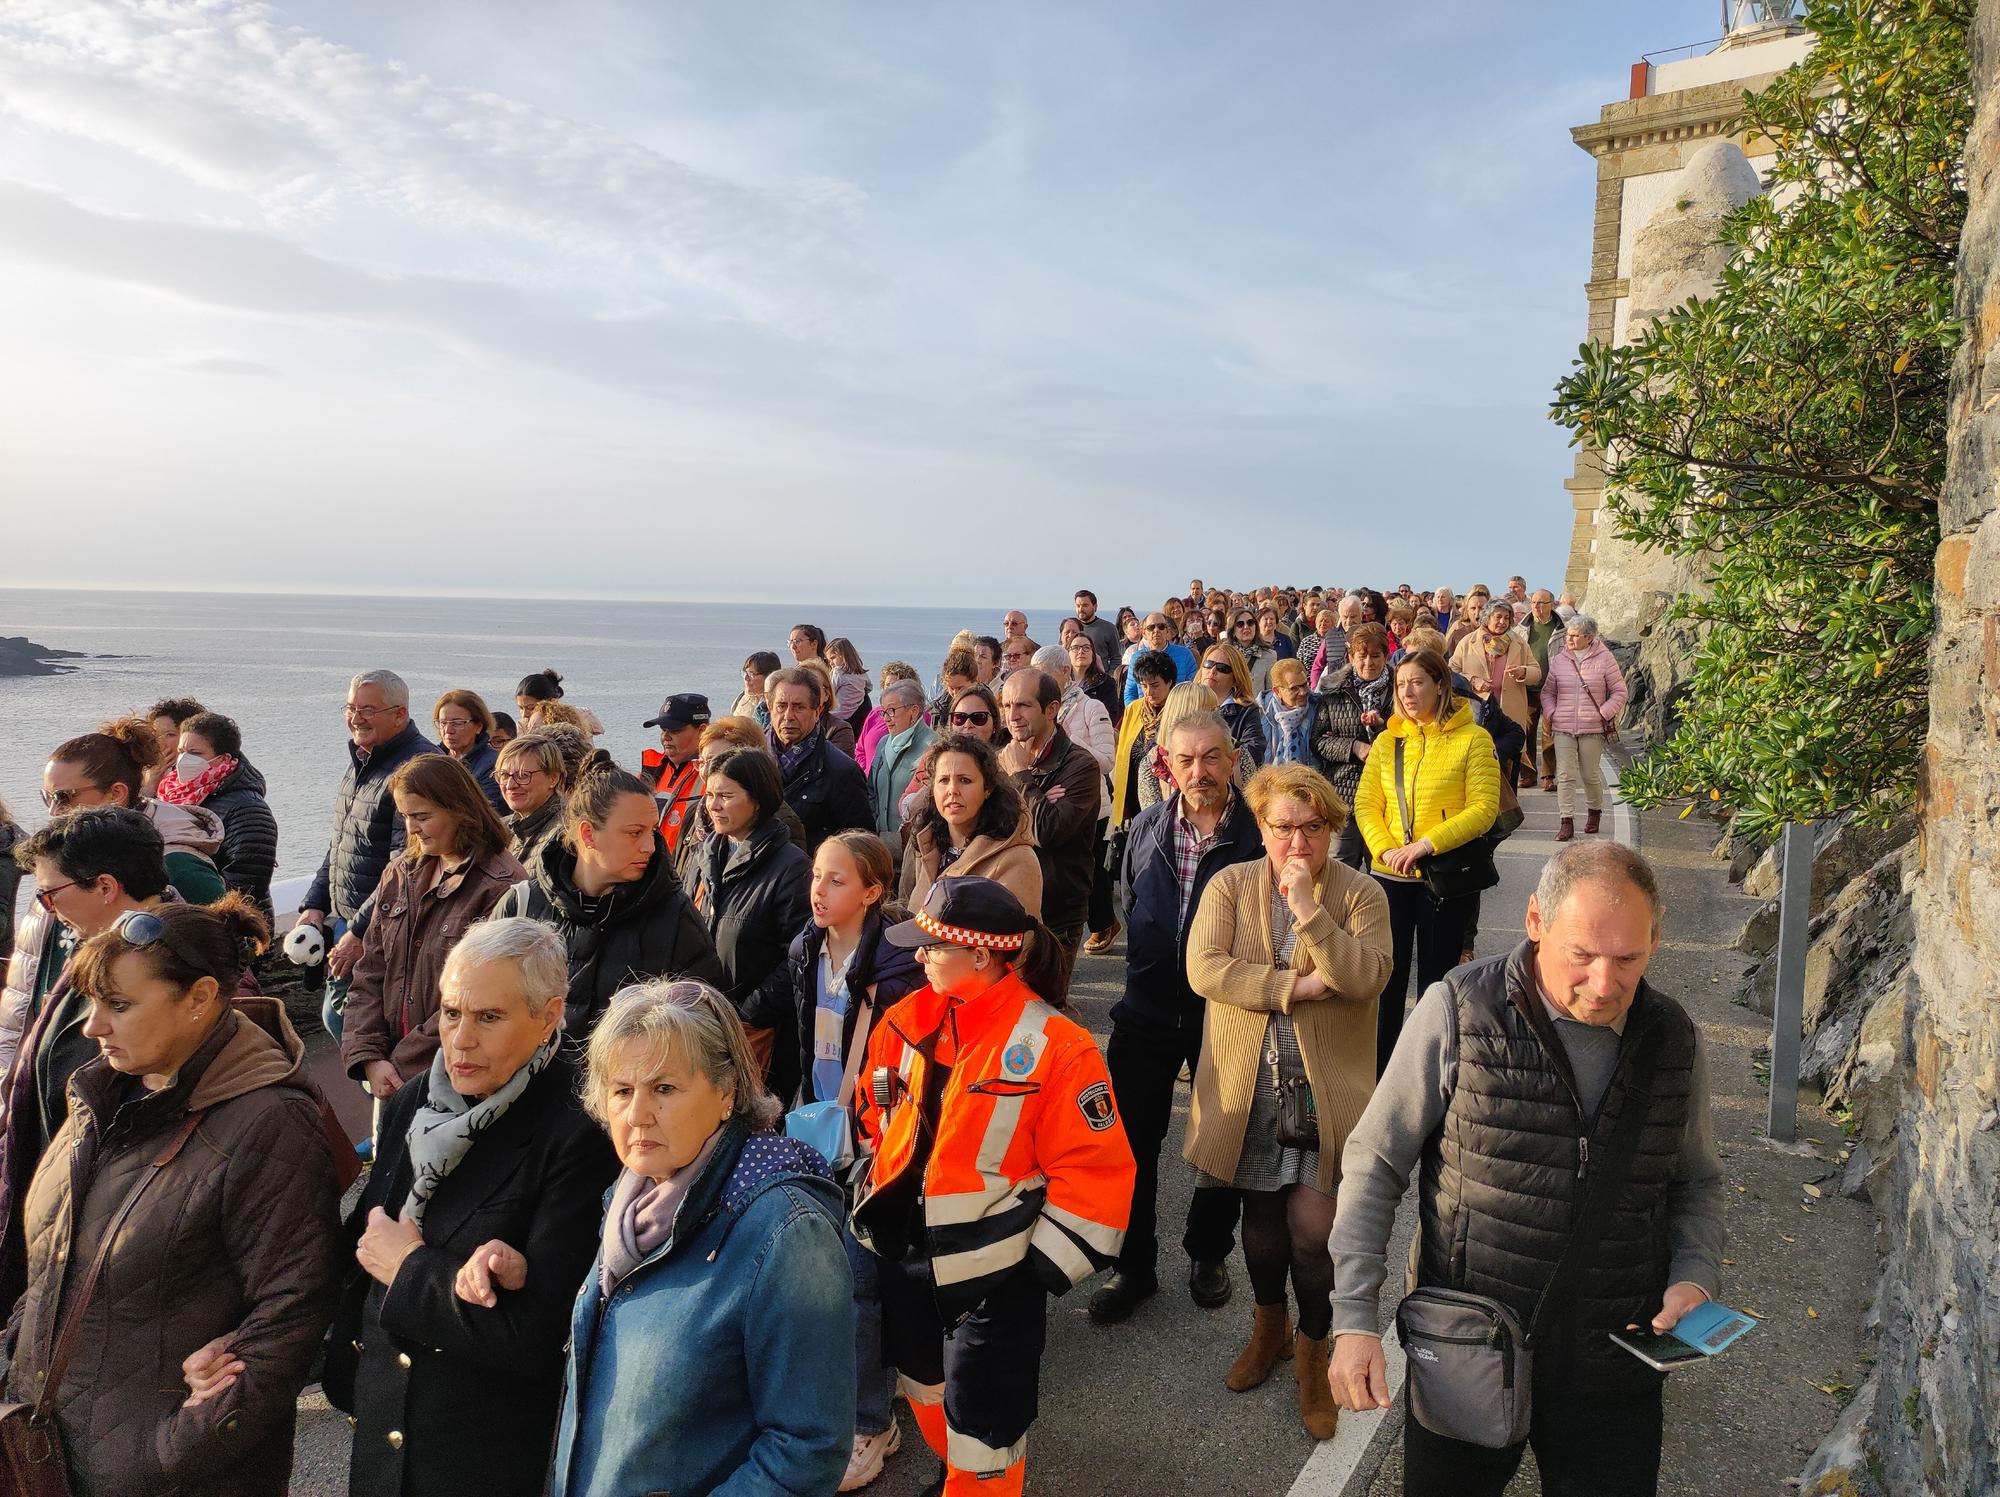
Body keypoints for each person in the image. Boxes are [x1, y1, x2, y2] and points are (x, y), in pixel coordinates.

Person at [1328, 844, 1725, 1497]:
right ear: (1536, 921)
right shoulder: (1459, 1009)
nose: (1604, 982)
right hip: (1470, 1351)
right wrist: (1353, 1319)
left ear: (1658, 936)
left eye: (1629, 957)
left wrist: (1694, 1277)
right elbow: (1376, 1160)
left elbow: (1697, 1179)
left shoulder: (1674, 1038)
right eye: (1583, 954)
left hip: (1614, 1366)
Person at [3, 894, 341, 1497]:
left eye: (120, 1005)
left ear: (201, 999)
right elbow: (52, 1269)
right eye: (93, 1002)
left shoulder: (269, 1123)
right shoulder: (102, 1099)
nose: (93, 1026)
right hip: (50, 1460)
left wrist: (166, 1455)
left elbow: (294, 1311)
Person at [855, 876, 1136, 1497]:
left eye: (931, 947)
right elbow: (874, 1110)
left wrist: (1031, 1275)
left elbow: (1097, 1174)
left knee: (986, 1429)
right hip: (906, 1257)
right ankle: (955, 1475)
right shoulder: (906, 1020)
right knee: (924, 1384)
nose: (917, 956)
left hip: (996, 1279)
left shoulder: (1058, 1048)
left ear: (980, 956)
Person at [324, 918, 620, 1497]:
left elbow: (544, 1337)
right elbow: (360, 1248)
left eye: (489, 1017)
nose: (460, 1039)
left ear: (548, 1017)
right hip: (384, 1438)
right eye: (452, 1013)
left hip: (481, 1454)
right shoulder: (417, 1099)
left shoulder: (579, 1130)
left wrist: (411, 1270)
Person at [552, 978, 854, 1497]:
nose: (637, 1114)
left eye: (664, 1088)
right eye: (622, 1091)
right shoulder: (630, 1201)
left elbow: (807, 1447)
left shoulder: (785, 1231)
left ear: (727, 1093)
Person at [1183, 763, 1391, 1438]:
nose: (1297, 842)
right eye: (1282, 827)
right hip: (1249, 1090)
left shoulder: (1360, 895)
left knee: (1314, 1228)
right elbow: (1205, 966)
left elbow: (1364, 975)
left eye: (1312, 827)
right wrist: (1291, 987)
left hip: (1327, 1096)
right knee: (1262, 1220)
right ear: (1262, 827)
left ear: (1331, 827)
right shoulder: (1231, 884)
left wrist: (1307, 911)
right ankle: (1268, 1327)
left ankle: (1314, 1353)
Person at [1091, 711, 1260, 1326]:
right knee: (1131, 1145)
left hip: (1228, 1016)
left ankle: (1208, 1252)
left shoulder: (1258, 835)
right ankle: (1133, 1266)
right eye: (1185, 760)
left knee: (1222, 1145)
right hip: (1146, 1011)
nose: (1200, 771)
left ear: (1233, 760)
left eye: (1212, 757)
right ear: (1165, 764)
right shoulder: (1144, 829)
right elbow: (1133, 905)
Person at [786, 831, 927, 1491]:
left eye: (836, 879)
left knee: (865, 1281)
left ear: (873, 890)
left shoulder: (896, 969)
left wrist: (890, 1138)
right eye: (817, 875)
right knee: (838, 1275)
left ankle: (871, 1420)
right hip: (822, 1130)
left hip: (878, 1140)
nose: (819, 889)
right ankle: (875, 1385)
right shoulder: (805, 949)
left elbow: (911, 1067)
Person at [0, 807, 173, 1311]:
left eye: (49, 893)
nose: (47, 909)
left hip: (107, 1220)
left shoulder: (162, 967)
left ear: (104, 887)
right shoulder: (105, 953)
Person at [494, 750, 724, 1037]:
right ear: (588, 834)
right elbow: (488, 1005)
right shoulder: (522, 905)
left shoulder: (674, 916)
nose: (650, 847)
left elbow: (704, 1026)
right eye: (634, 832)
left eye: (652, 831)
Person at [1351, 649, 1500, 1075]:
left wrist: (1426, 845)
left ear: (1440, 684)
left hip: (1442, 878)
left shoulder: (1474, 739)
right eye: (1401, 684)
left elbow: (1484, 808)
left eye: (1417, 682)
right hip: (1389, 876)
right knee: (1385, 981)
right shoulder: (1387, 740)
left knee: (1437, 984)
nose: (1408, 691)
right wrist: (1385, 850)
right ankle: (1381, 1075)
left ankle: (1432, 1073)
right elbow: (1367, 804)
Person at [342, 755, 525, 1095]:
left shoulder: (502, 886)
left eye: (421, 816)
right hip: (391, 1070)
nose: (411, 828)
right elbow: (370, 969)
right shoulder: (400, 873)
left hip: (458, 1076)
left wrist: (399, 1065)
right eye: (406, 816)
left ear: (459, 809)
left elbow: (483, 998)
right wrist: (368, 1054)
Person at [301, 671, 439, 1041]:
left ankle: (390, 1095)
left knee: (355, 1025)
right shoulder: (364, 761)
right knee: (347, 1021)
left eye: (367, 709)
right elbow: (343, 841)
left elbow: (409, 863)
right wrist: (314, 902)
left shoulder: (416, 770)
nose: (356, 717)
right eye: (350, 708)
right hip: (351, 916)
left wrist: (361, 930)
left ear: (399, 714)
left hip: (386, 926)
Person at [684, 748, 813, 1100]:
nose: (713, 805)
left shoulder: (792, 868)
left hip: (754, 1032)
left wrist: (751, 1013)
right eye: (710, 795)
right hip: (699, 1023)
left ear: (758, 799)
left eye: (726, 796)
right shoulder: (704, 854)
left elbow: (800, 956)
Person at [999, 669, 1102, 1006]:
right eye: (1007, 705)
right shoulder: (999, 758)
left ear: (1051, 709)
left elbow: (1047, 831)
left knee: (1043, 1010)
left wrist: (1021, 779)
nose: (1012, 716)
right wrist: (1037, 798)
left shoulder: (1080, 765)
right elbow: (987, 826)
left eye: (1023, 705)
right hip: (1006, 901)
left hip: (1057, 910)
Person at [43, 719, 226, 903]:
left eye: (63, 797)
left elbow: (225, 928)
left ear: (116, 794)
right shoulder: (78, 855)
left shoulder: (179, 866)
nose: (53, 811)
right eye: (47, 797)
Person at [898, 733, 1042, 916]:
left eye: (964, 780)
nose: (952, 791)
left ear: (987, 788)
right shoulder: (926, 844)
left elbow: (1022, 938)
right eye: (943, 780)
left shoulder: (1017, 859)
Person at [159, 710, 279, 920]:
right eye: (181, 752)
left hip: (230, 927)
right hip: (183, 917)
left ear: (223, 758)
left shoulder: (247, 808)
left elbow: (246, 885)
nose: (183, 760)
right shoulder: (170, 793)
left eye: (195, 753)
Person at [1539, 613, 1630, 843]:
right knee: (1565, 775)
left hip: (1592, 728)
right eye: (1568, 635)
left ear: (1589, 637)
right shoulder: (1561, 659)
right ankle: (1566, 821)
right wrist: (1552, 713)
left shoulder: (1605, 659)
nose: (1568, 640)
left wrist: (1604, 712)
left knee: (1590, 775)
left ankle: (1594, 813)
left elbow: (1620, 691)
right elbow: (1548, 691)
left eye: (1574, 636)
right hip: (1563, 728)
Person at [767, 667, 874, 854]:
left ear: (817, 712)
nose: (788, 716)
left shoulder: (841, 771)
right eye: (781, 706)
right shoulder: (753, 761)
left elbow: (862, 848)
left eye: (799, 707)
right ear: (770, 708)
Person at [1313, 623, 1393, 868]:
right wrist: (1355, 747)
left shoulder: (1400, 688)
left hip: (1388, 793)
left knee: (1383, 869)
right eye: (1362, 656)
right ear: (1351, 657)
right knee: (1340, 869)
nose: (1369, 662)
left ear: (1386, 656)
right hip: (1345, 792)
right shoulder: (1333, 689)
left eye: (1375, 656)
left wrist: (1382, 726)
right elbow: (1318, 741)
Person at [1450, 601, 1541, 786]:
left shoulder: (1519, 643)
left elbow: (1537, 672)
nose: (1502, 622)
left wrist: (1523, 671)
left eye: (1506, 618)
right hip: (1478, 712)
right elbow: (1451, 672)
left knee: (1508, 768)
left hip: (1509, 714)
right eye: (1498, 617)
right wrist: (1473, 681)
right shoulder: (1468, 642)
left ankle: (1509, 812)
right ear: (1487, 617)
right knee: (1479, 763)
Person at [866, 680, 934, 867]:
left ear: (913, 712)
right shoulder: (883, 744)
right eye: (883, 712)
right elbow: (871, 790)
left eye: (892, 711)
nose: (886, 718)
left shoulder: (933, 747)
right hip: (881, 848)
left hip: (914, 850)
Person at [1110, 649, 1177, 838]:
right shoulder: (1134, 709)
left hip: (1165, 794)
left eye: (1155, 685)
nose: (1149, 692)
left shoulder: (1179, 708)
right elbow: (1123, 752)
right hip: (1132, 794)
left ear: (1170, 682)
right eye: (1144, 686)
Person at [638, 692, 710, 855]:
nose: (665, 737)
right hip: (653, 869)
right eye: (663, 730)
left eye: (675, 730)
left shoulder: (716, 774)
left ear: (702, 730)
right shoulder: (650, 770)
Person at [1138, 681, 1223, 813]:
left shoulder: (1236, 754)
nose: (1217, 717)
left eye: (1217, 710)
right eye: (1209, 712)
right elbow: (1153, 822)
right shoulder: (1153, 763)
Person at [494, 730, 569, 872]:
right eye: (504, 775)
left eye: (523, 775)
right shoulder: (504, 828)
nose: (510, 785)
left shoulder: (564, 836)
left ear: (553, 778)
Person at [1519, 589, 1564, 789]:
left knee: (1549, 732)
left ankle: (1548, 775)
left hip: (1552, 688)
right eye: (1534, 602)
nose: (1536, 606)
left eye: (1541, 603)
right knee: (1526, 731)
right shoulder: (1521, 629)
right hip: (1527, 688)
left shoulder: (1562, 629)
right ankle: (1528, 774)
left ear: (1551, 605)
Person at [432, 689, 506, 810]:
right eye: (443, 723)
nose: (448, 730)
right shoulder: (431, 758)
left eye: (457, 723)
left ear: (478, 726)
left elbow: (487, 811)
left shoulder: (494, 764)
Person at [1199, 643, 1270, 767]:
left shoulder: (1247, 711)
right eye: (1208, 664)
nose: (1213, 671)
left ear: (1235, 678)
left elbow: (1255, 752)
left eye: (1222, 668)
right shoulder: (1186, 702)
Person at [1261, 658, 1327, 774]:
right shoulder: (1261, 712)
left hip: (1313, 780)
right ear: (1277, 691)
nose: (1303, 692)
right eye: (1294, 688)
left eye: (1304, 685)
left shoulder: (1320, 706)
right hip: (1273, 782)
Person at [856, 661, 921, 771]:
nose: (890, 689)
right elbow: (860, 750)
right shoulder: (875, 714)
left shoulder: (917, 716)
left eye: (895, 685)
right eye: (887, 685)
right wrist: (865, 774)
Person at [141, 696, 207, 797]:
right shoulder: (141, 770)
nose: (160, 742)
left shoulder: (204, 773)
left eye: (170, 735)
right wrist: (149, 784)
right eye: (155, 735)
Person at [1124, 614, 1195, 705]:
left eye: (1161, 627)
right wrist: (1137, 715)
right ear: (1144, 633)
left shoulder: (1185, 654)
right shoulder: (1136, 658)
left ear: (1167, 631)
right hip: (1145, 713)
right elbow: (1130, 693)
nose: (1156, 630)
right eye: (1151, 627)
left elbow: (1193, 688)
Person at [1073, 588, 1121, 674]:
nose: (1080, 609)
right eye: (1078, 606)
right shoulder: (1071, 629)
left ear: (1095, 607)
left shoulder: (1108, 628)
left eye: (1085, 605)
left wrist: (1109, 678)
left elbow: (1116, 658)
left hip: (1100, 680)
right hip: (1074, 681)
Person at [931, 646, 979, 724]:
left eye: (960, 688)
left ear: (974, 682)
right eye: (951, 688)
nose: (955, 693)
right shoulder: (937, 710)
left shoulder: (987, 705)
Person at [735, 650, 782, 729]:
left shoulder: (776, 706)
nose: (746, 678)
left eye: (751, 674)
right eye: (745, 673)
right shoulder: (741, 698)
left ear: (769, 677)